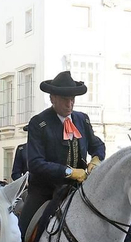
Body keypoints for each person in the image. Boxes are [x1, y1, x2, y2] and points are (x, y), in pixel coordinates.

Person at [19, 70, 105, 232]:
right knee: (22, 231)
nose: (70, 104)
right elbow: (35, 163)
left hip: (78, 188)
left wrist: (95, 160)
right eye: (65, 100)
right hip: (45, 190)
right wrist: (69, 172)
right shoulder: (39, 123)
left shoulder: (82, 119)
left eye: (72, 99)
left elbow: (97, 145)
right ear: (53, 99)